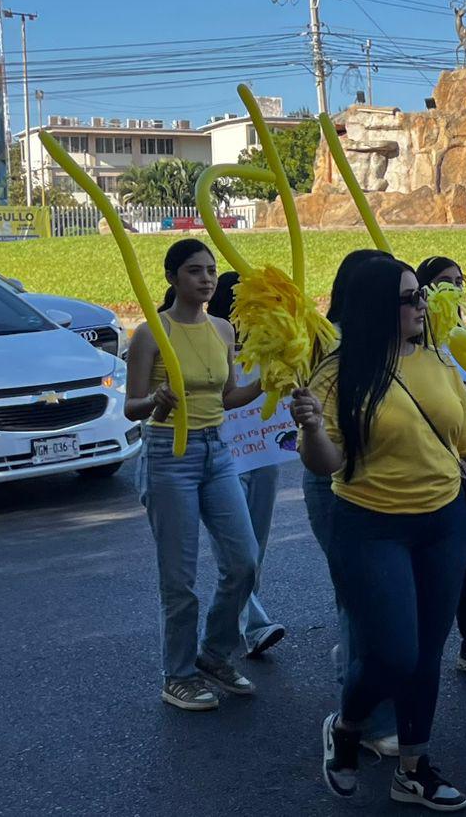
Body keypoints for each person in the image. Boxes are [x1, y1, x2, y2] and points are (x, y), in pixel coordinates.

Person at [293, 256, 466, 811]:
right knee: (391, 654)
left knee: (428, 652)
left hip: (444, 523)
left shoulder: (435, 360)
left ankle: (414, 767)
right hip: (371, 527)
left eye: (420, 296)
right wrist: (311, 428)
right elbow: (327, 462)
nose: (422, 306)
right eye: (410, 298)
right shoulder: (335, 375)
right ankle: (348, 725)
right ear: (375, 307)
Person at [123, 239, 263, 711]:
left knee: (244, 561)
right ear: (172, 278)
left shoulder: (223, 330)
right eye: (193, 271)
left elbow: (226, 397)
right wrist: (155, 401)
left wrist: (267, 383)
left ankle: (214, 655)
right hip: (168, 454)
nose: (205, 279)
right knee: (179, 579)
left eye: (210, 270)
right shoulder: (150, 334)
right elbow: (131, 408)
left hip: (216, 451)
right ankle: (177, 674)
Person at [303, 248, 397, 755]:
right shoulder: (324, 345)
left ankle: (363, 690)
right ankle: (365, 719)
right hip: (335, 481)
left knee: (373, 602)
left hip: (384, 482)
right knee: (358, 599)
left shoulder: (396, 341)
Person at [414, 254, 466, 678]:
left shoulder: (458, 334)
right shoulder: (416, 337)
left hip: (459, 463)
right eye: (445, 282)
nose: (455, 289)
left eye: (460, 281)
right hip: (419, 469)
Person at [204, 272, 286, 659]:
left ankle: (243, 619)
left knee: (258, 546)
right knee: (238, 551)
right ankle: (254, 625)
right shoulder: (210, 343)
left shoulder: (271, 345)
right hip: (223, 461)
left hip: (265, 456)